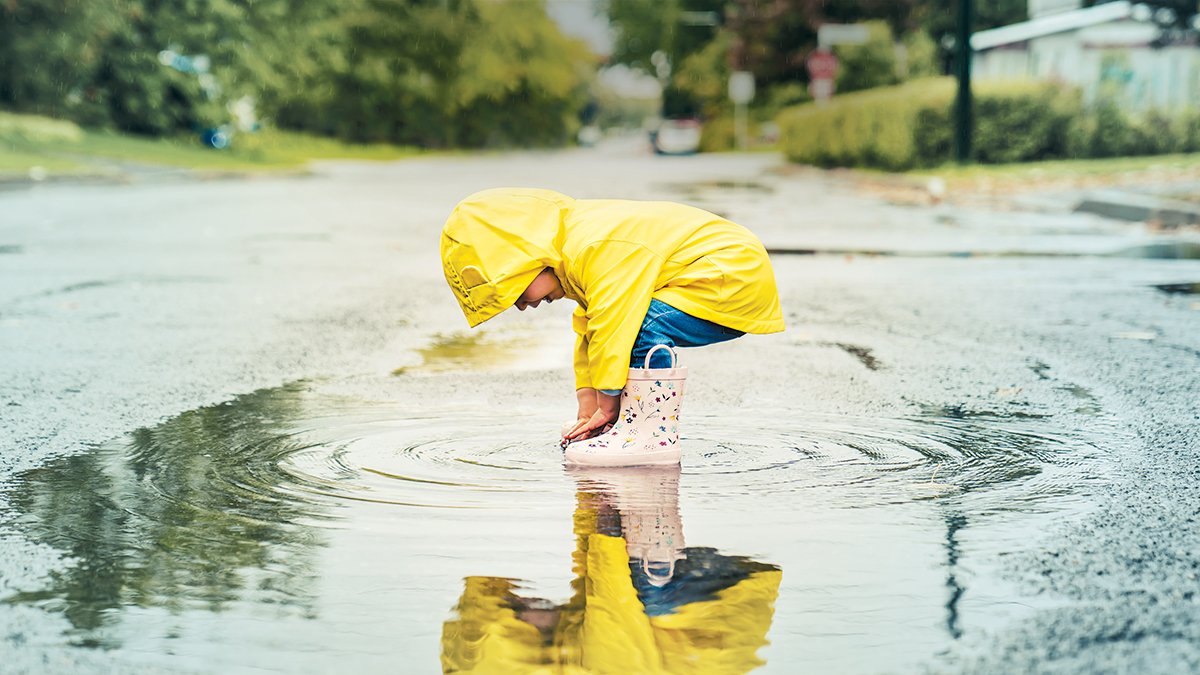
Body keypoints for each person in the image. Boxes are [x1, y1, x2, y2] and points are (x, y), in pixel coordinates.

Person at [440, 187, 784, 465]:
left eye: (513, 291)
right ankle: (631, 426)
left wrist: (608, 406)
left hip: (729, 276)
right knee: (620, 325)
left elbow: (613, 324)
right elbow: (590, 327)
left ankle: (650, 434)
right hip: (715, 274)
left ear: (525, 258)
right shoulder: (570, 251)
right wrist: (588, 405)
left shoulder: (590, 245)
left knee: (636, 325)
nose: (519, 304)